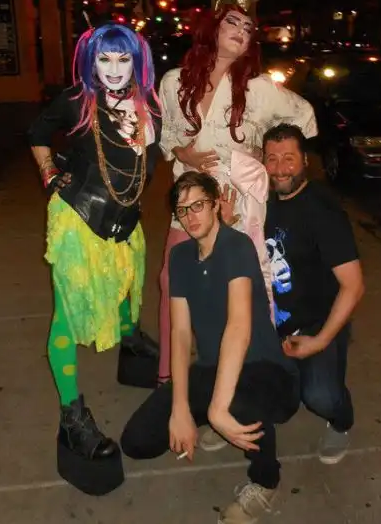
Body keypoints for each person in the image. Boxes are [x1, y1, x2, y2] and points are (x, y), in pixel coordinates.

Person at [157, 0, 318, 383]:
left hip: (239, 206)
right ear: (212, 27)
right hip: (191, 202)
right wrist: (181, 152)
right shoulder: (174, 81)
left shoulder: (259, 89)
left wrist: (267, 160)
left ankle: (249, 373)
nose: (241, 32)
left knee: (238, 291)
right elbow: (165, 133)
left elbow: (304, 118)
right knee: (172, 281)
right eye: (232, 22)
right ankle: (168, 377)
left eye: (248, 28)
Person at [121, 171, 299, 524]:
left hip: (266, 370)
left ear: (216, 204)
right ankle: (217, 414)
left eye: (198, 205)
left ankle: (266, 482)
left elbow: (238, 328)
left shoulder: (236, 246)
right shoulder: (181, 257)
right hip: (212, 368)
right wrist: (180, 408)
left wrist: (217, 409)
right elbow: (180, 333)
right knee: (137, 442)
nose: (191, 216)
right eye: (183, 210)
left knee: (238, 403)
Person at [28, 22, 161, 495]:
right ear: (91, 62)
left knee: (127, 290)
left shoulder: (150, 105)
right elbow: (37, 130)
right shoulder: (77, 101)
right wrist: (48, 171)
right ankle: (72, 417)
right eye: (104, 59)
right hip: (78, 223)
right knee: (68, 314)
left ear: (137, 62)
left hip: (124, 222)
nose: (114, 69)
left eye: (123, 59)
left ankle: (131, 342)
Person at [262, 123, 364, 464]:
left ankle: (342, 420)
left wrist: (320, 341)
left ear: (305, 160)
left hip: (318, 322)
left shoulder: (322, 211)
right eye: (272, 158)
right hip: (277, 322)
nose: (280, 168)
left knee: (320, 396)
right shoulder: (263, 202)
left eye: (289, 158)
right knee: (277, 405)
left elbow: (354, 285)